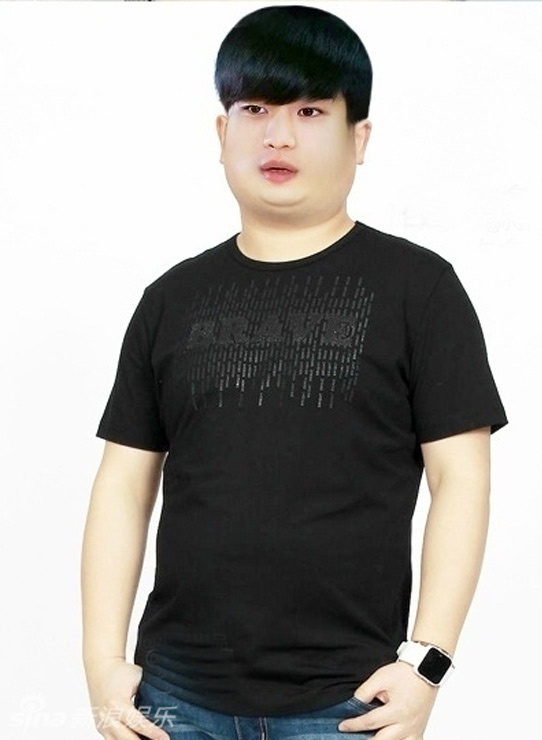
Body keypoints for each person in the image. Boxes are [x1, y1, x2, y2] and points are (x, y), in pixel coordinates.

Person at [81, 5, 507, 740]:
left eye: (310, 111)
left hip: (349, 702)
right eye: (255, 109)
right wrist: (101, 662)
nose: (278, 136)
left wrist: (426, 663)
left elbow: (461, 480)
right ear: (222, 133)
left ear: (358, 138)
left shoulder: (419, 290)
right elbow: (123, 483)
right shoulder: (171, 298)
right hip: (173, 695)